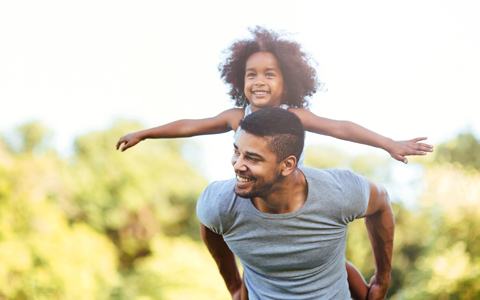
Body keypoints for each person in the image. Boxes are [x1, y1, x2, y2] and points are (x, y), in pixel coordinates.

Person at [116, 26, 427, 298]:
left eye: (269, 74)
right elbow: (190, 125)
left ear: (286, 82)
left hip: (295, 206)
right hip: (258, 206)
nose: (259, 81)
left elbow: (340, 127)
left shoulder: (295, 116)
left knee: (336, 263)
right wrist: (146, 133)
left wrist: (388, 144)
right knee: (259, 266)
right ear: (241, 80)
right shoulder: (236, 117)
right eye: (251, 74)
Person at [197, 107, 395, 299]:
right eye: (237, 152)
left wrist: (382, 280)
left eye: (253, 158)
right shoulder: (219, 203)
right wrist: (234, 287)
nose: (238, 165)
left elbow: (381, 202)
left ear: (288, 165)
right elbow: (208, 224)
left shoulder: (338, 192)